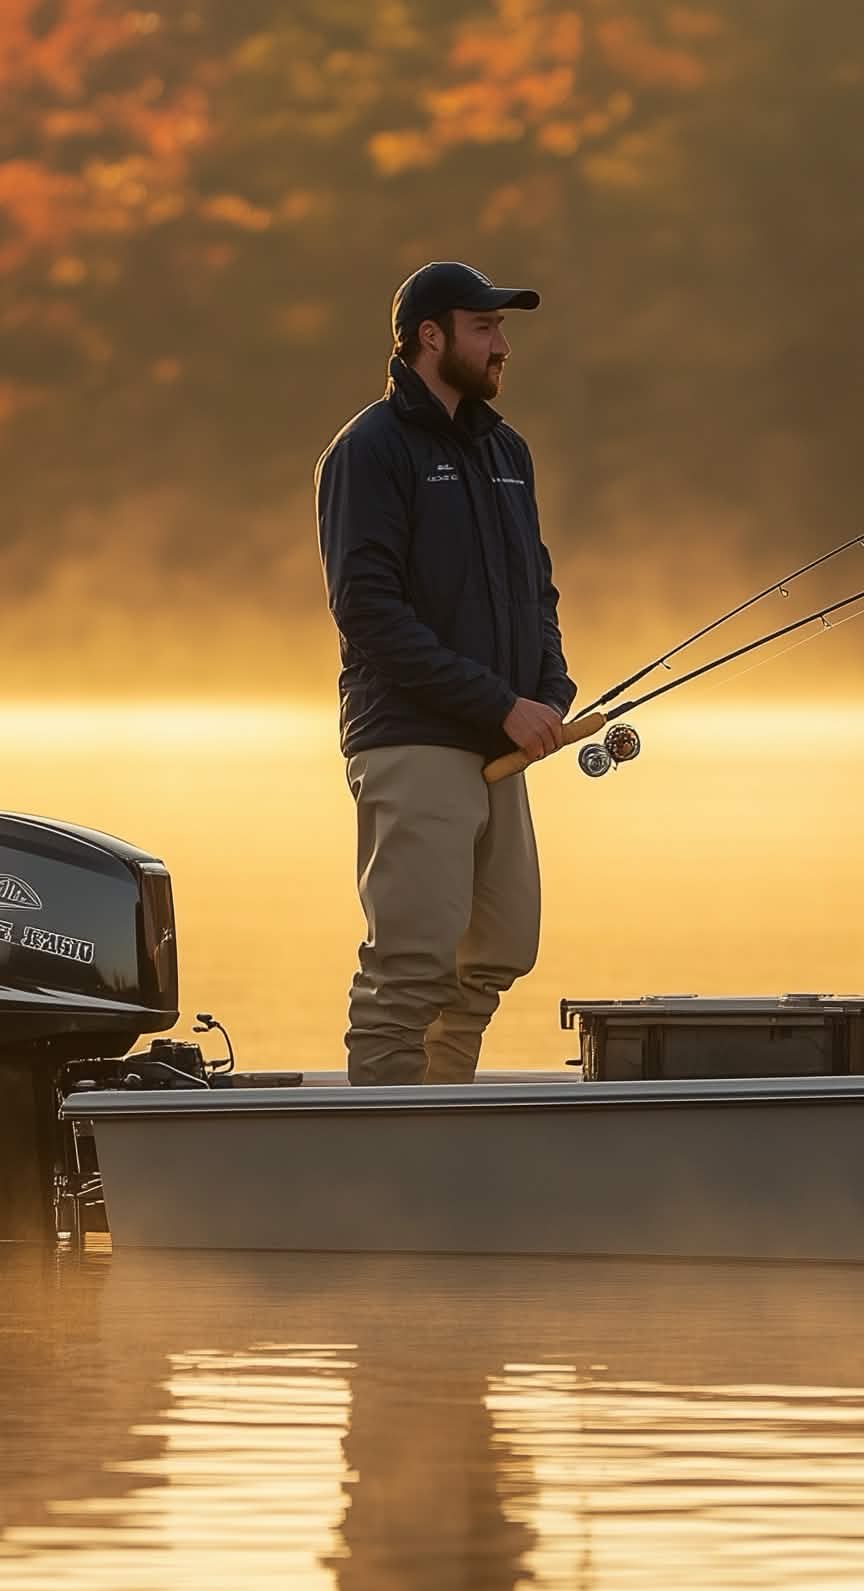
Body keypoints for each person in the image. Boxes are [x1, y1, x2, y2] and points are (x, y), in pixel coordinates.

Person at [315, 261, 575, 1086]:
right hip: (414, 737)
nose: (502, 345)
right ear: (431, 336)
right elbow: (369, 612)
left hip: (499, 739)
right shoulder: (369, 451)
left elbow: (536, 586)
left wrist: (551, 691)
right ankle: (380, 1161)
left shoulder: (507, 452)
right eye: (484, 327)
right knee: (413, 964)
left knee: (495, 954)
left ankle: (438, 1129)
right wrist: (501, 704)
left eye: (502, 329)